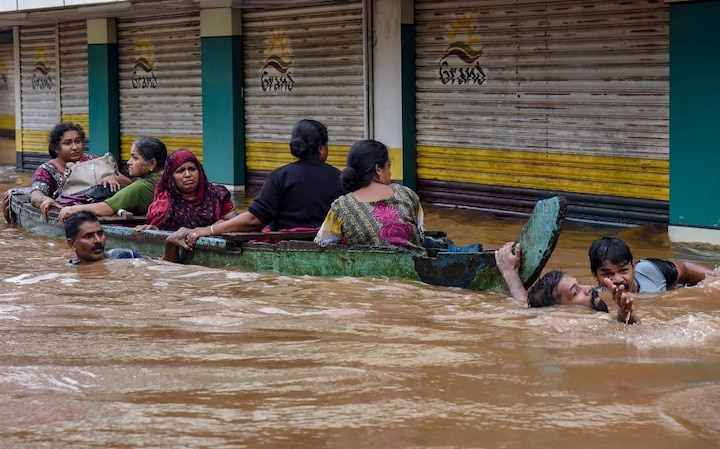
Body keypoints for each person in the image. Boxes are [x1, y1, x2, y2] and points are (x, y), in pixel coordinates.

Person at [165, 119, 344, 256]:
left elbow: (253, 220)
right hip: (328, 247)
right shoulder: (340, 178)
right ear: (321, 148)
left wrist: (208, 230)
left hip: (284, 247)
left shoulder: (280, 176)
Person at [314, 139, 425, 252]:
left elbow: (321, 244)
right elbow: (421, 236)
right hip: (416, 267)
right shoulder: (408, 194)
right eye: (388, 166)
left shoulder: (342, 206)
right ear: (378, 169)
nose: (390, 173)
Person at [495, 241, 640, 324]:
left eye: (580, 284)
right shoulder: (572, 328)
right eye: (575, 292)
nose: (589, 288)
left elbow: (523, 306)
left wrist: (624, 312)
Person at [28, 123, 131, 221]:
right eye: (67, 143)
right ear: (55, 148)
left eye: (78, 141)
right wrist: (44, 200)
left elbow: (129, 184)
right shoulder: (47, 169)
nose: (75, 147)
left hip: (104, 210)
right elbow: (35, 195)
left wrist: (114, 177)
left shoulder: (94, 161)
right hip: (73, 215)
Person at [56, 137, 167, 223]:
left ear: (152, 164)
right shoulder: (166, 178)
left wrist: (71, 209)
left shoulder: (140, 187)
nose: (129, 162)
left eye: (135, 158)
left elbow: (105, 208)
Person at [135, 148, 236, 232]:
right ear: (171, 177)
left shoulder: (217, 195)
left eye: (192, 169)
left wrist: (222, 224)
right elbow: (156, 230)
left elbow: (235, 221)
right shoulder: (164, 204)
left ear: (200, 171)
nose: (188, 175)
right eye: (180, 171)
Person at [588, 236, 714, 293]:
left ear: (634, 266)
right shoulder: (594, 300)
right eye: (608, 274)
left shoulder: (652, 271)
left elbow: (685, 269)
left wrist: (714, 279)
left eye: (623, 271)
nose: (618, 280)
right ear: (595, 275)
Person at [64, 211, 144, 264]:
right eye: (88, 236)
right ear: (72, 244)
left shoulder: (125, 256)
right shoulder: (68, 274)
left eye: (100, 234)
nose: (98, 240)